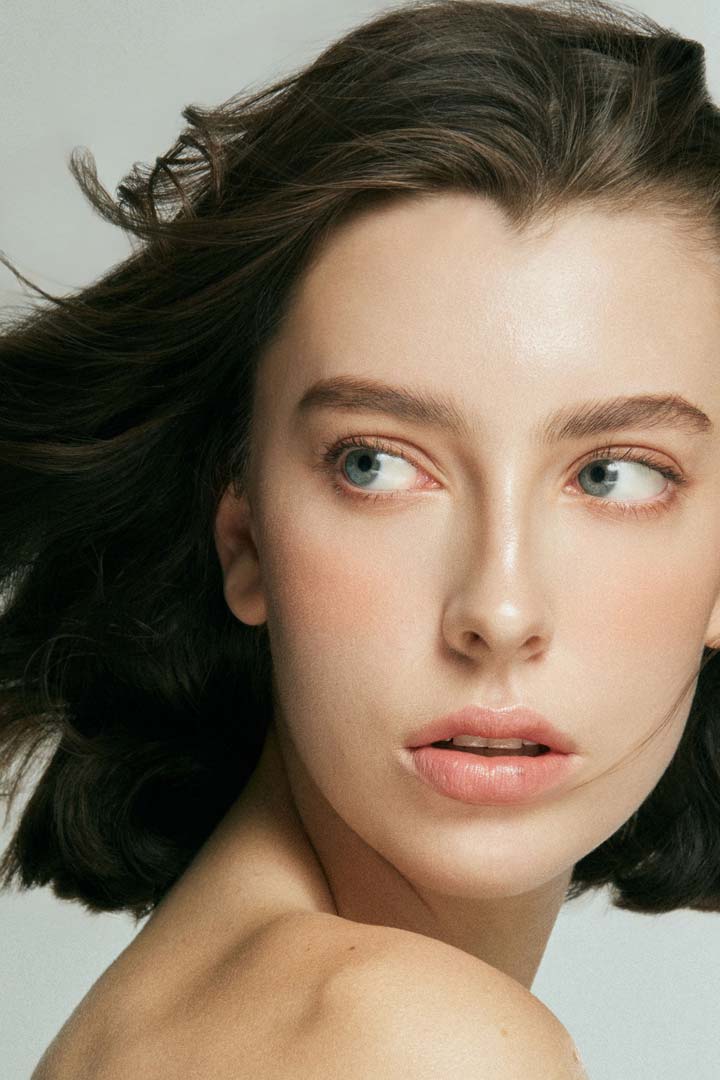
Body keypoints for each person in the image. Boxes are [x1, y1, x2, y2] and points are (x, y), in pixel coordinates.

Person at [2, 0, 719, 1075]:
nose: (499, 611)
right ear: (244, 534)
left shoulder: (186, 1013)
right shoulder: (416, 1042)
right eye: (375, 464)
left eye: (613, 476)